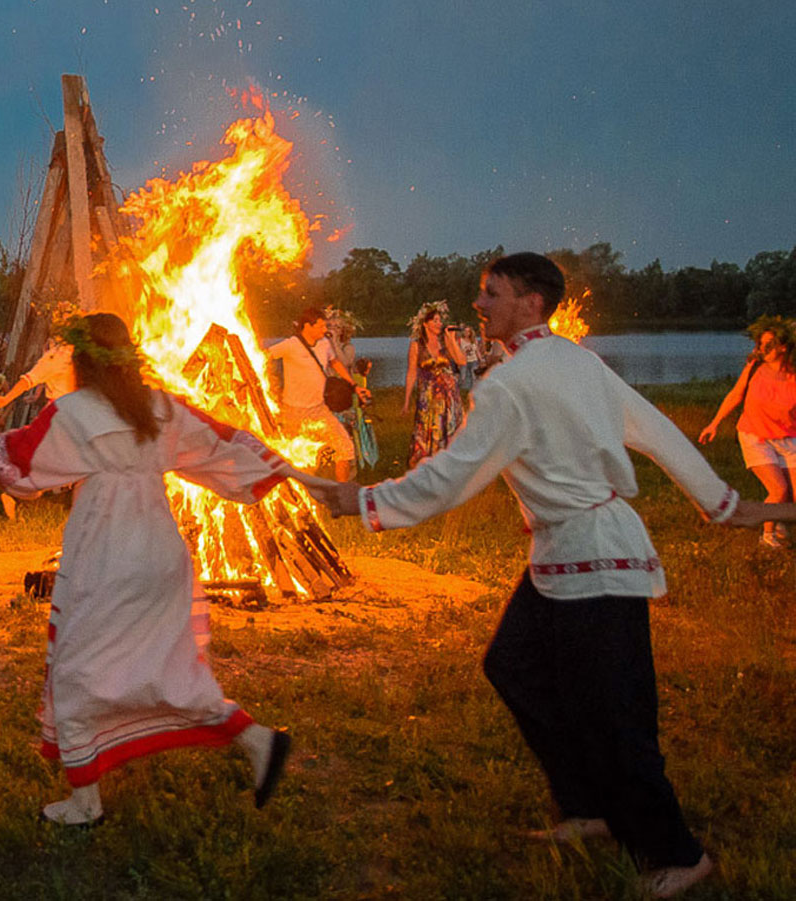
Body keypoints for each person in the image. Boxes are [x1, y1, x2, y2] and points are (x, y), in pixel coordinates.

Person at [317, 252, 795, 899]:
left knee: (620, 715)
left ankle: (680, 853)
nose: (479, 305)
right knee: (512, 664)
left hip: (600, 560)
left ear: (531, 302)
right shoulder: (571, 359)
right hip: (561, 559)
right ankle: (588, 806)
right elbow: (655, 429)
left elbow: (452, 477)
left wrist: (360, 500)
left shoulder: (511, 386)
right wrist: (723, 503)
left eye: (492, 293)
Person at [0, 312, 311, 825]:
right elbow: (223, 444)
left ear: (80, 360)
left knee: (76, 673)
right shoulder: (158, 406)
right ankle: (257, 741)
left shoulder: (72, 411)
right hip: (161, 554)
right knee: (171, 668)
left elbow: (24, 468)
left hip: (107, 553)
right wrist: (293, 473)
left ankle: (85, 802)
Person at [699, 316, 796, 547]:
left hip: (787, 437)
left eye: (770, 344)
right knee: (779, 489)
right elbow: (736, 394)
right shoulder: (754, 367)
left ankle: (779, 520)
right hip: (755, 435)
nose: (763, 349)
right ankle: (768, 535)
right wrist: (714, 423)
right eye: (761, 344)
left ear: (784, 347)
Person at [264, 307, 369, 481]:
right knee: (295, 459)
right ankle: (298, 499)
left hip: (319, 409)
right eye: (321, 326)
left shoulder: (324, 344)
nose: (325, 330)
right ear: (307, 326)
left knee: (345, 448)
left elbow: (335, 362)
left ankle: (340, 496)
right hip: (293, 412)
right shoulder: (290, 345)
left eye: (325, 326)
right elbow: (264, 357)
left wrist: (354, 385)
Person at [403, 301, 468, 467]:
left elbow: (462, 361)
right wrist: (406, 401)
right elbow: (411, 372)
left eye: (440, 320)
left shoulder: (445, 342)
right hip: (429, 396)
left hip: (449, 395)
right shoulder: (417, 345)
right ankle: (427, 466)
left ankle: (450, 465)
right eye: (435, 321)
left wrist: (452, 339)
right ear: (426, 324)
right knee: (428, 429)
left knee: (449, 429)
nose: (439, 324)